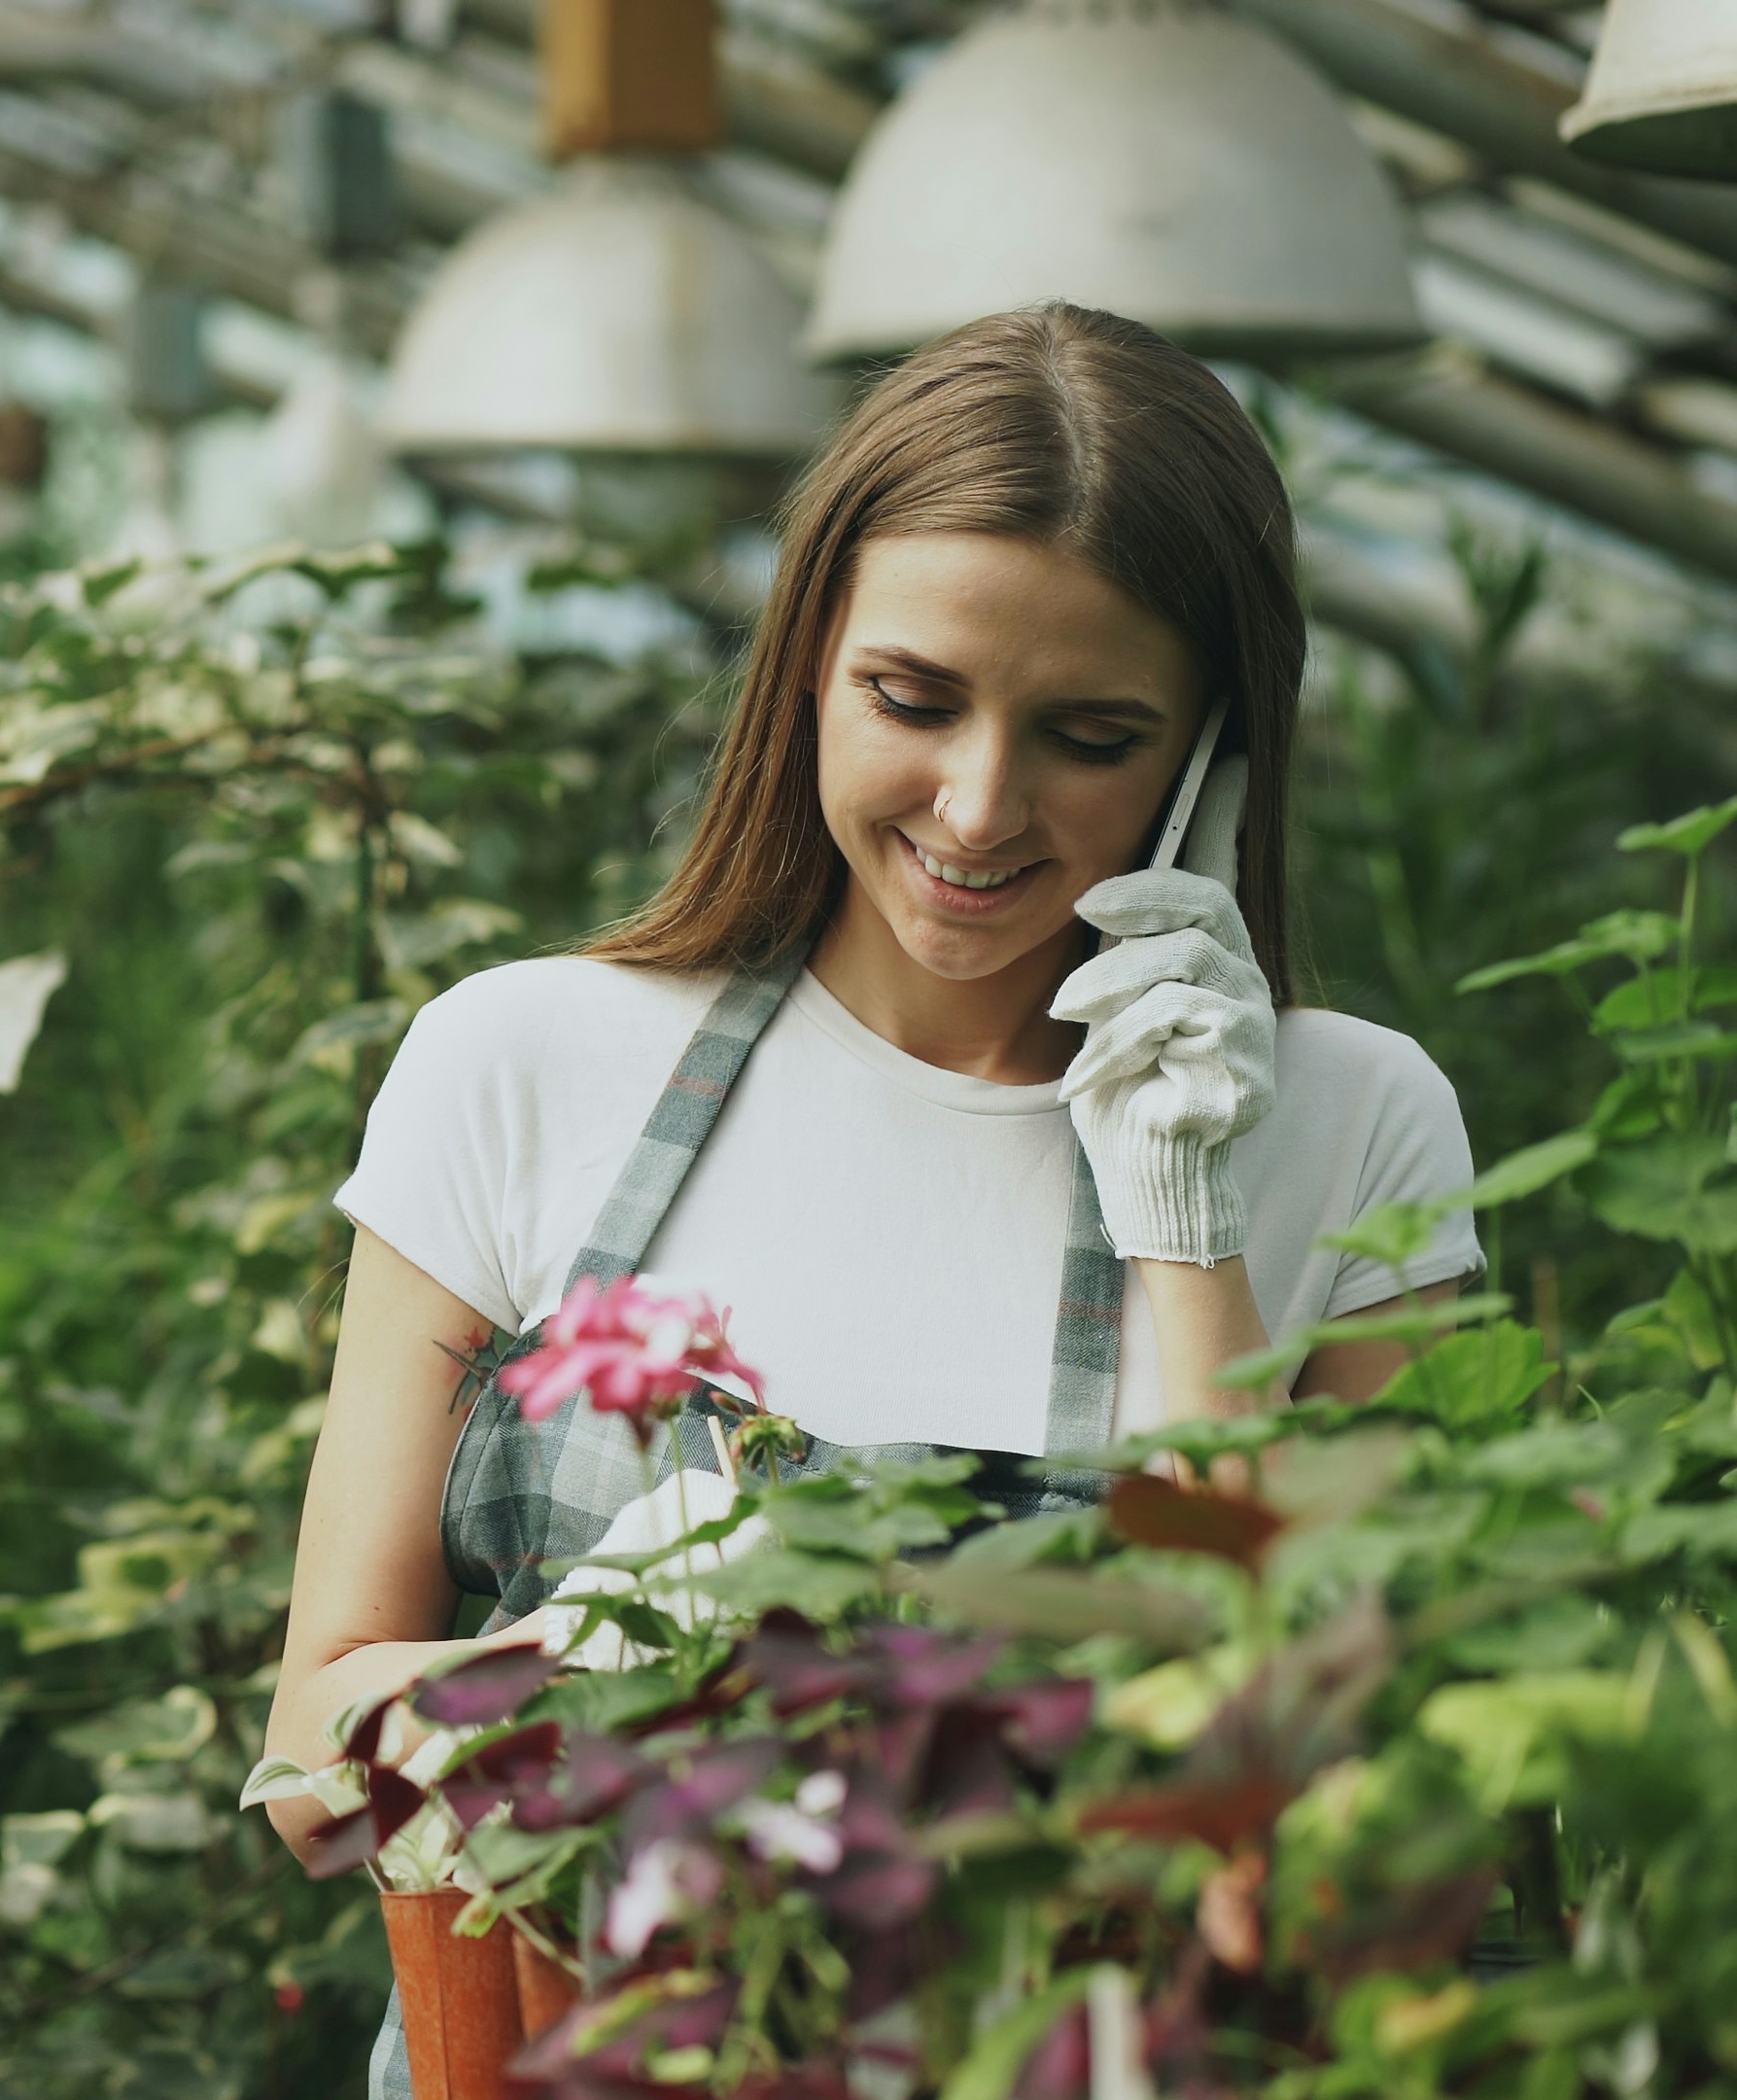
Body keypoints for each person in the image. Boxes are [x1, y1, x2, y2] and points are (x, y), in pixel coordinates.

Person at [255, 306, 1480, 2089]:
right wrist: (591, 1663)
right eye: (914, 700)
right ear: (806, 662)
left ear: (1217, 754)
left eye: (1092, 733)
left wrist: (1188, 1235)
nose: (980, 807)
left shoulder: (1356, 1125)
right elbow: (312, 1743)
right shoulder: (515, 1065)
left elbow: (1343, 1824)